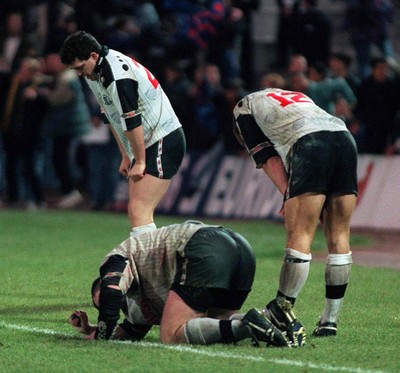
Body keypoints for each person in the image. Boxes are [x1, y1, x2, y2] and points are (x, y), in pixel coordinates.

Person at [233, 88, 358, 346]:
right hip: (344, 137)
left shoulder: (242, 110)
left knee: (300, 234)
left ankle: (282, 309)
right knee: (339, 234)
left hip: (310, 142)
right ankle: (329, 320)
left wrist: (286, 193)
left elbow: (268, 159)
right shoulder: (290, 95)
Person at [68, 220, 290, 348]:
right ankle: (267, 318)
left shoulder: (115, 259)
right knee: (216, 326)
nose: (116, 305)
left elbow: (111, 290)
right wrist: (90, 329)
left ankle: (246, 325)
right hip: (240, 251)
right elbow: (130, 331)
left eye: (112, 303)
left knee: (171, 335)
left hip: (203, 246)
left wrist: (103, 333)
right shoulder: (137, 302)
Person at [59, 31, 186, 237]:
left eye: (80, 68)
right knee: (137, 211)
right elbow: (111, 115)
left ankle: (154, 263)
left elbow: (131, 119)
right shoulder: (95, 72)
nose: (80, 74)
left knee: (139, 210)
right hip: (147, 142)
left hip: (163, 138)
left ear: (93, 56)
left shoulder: (117, 75)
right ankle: (149, 263)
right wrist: (126, 155)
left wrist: (141, 161)